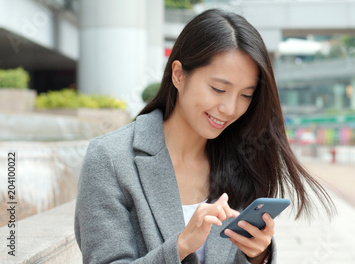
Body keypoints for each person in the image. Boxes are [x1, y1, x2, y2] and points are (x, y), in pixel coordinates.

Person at [74, 8, 334, 264]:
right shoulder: (110, 159)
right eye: (218, 89)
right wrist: (181, 246)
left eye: (246, 95)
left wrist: (257, 257)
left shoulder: (242, 160)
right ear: (178, 75)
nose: (230, 109)